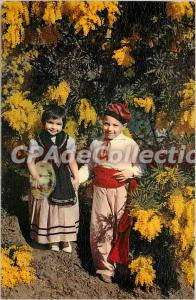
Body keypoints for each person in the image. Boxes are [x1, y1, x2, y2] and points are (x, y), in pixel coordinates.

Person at [83, 103, 142, 283]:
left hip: (121, 191)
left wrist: (131, 172)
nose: (110, 128)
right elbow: (89, 167)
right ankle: (104, 268)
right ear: (102, 123)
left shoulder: (130, 145)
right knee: (100, 227)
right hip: (101, 191)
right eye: (107, 124)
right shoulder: (96, 144)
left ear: (124, 126)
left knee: (119, 226)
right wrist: (77, 178)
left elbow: (141, 167)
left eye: (115, 125)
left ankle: (120, 265)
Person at [27, 104, 79, 252]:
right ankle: (51, 240)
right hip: (46, 177)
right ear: (44, 122)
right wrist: (35, 176)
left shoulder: (68, 140)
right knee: (47, 208)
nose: (54, 127)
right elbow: (30, 161)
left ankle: (65, 240)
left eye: (58, 124)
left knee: (64, 209)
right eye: (50, 122)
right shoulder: (37, 140)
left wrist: (76, 177)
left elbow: (71, 160)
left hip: (63, 178)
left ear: (63, 125)